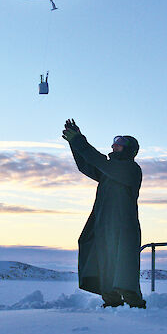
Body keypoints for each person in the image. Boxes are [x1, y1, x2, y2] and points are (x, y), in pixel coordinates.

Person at [62, 119, 145, 308]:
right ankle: (111, 300)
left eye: (120, 143)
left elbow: (98, 160)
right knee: (105, 260)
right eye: (114, 142)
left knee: (124, 263)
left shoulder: (130, 169)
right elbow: (87, 165)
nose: (114, 146)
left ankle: (135, 304)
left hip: (123, 225)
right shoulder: (109, 171)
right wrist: (74, 143)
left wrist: (79, 141)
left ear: (130, 149)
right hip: (104, 224)